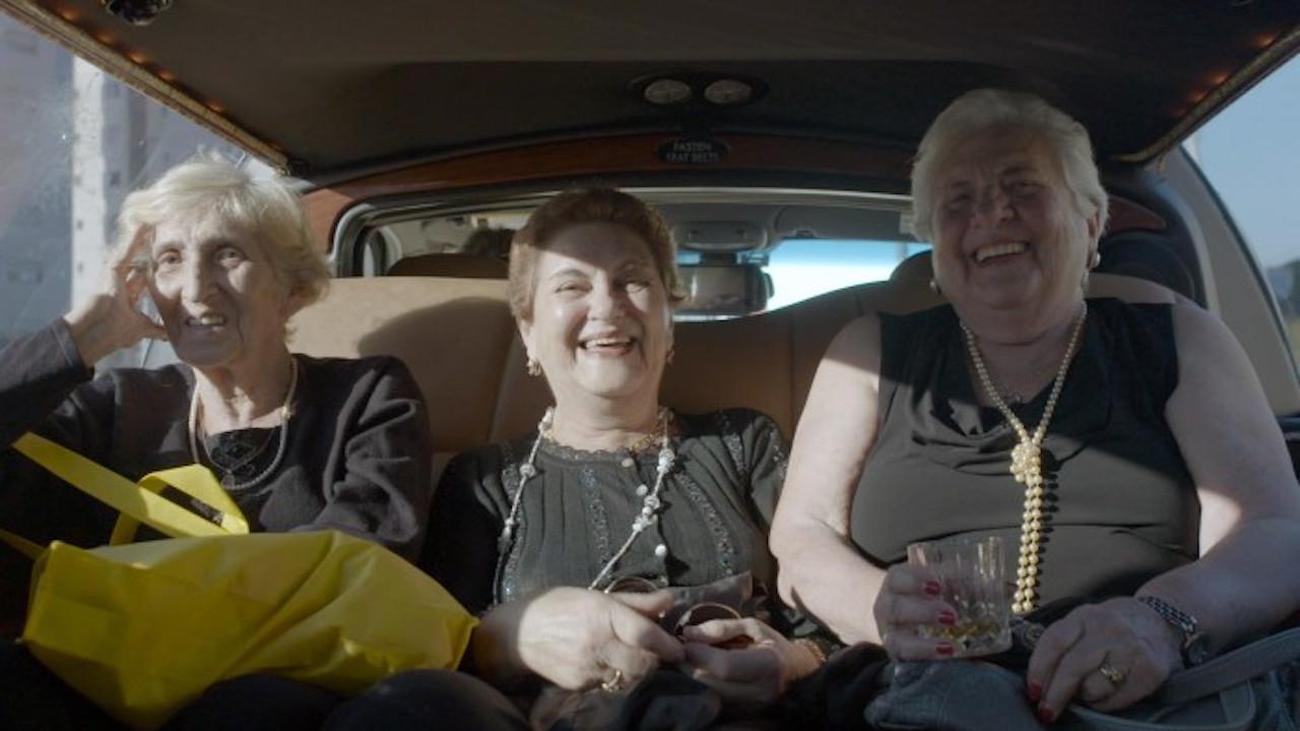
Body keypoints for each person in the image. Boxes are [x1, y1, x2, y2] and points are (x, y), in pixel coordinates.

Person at [770, 88, 1300, 724]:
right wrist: (879, 608)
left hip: (1141, 700)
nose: (992, 215)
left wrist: (1161, 620)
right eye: (958, 201)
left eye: (1023, 187)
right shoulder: (868, 352)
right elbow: (801, 537)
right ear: (934, 245)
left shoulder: (1181, 339)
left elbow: (1274, 529)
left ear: (1091, 222)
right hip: (919, 690)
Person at [0, 157, 520, 731]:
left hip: (294, 686)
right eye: (169, 260)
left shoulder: (367, 394)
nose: (195, 287)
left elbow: (364, 557)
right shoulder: (117, 403)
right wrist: (83, 338)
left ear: (291, 289)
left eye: (227, 254)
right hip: (123, 685)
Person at [424, 188, 828, 726]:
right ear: (529, 333)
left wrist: (793, 663)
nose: (607, 306)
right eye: (572, 285)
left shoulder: (744, 442)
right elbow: (433, 650)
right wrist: (509, 637)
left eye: (632, 281)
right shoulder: (483, 480)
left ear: (669, 319)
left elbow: (830, 630)